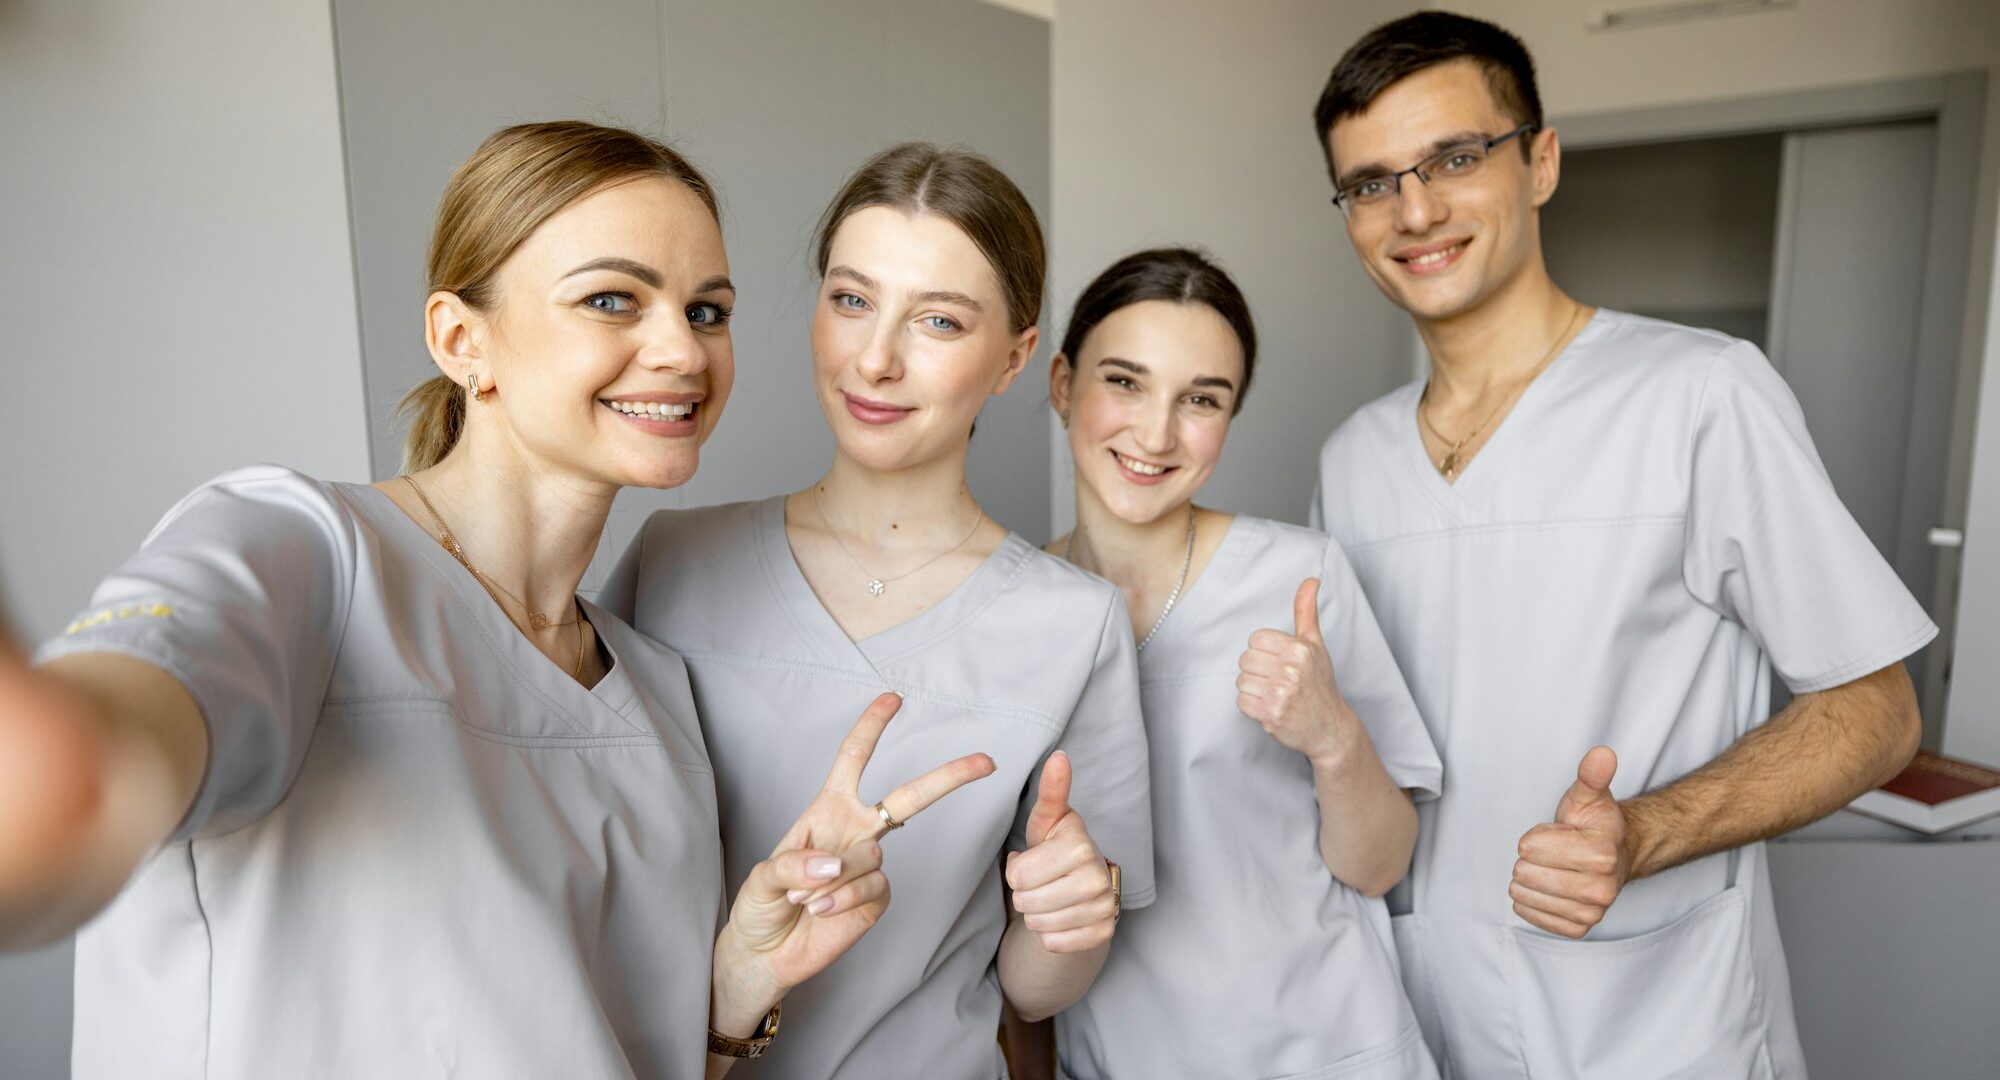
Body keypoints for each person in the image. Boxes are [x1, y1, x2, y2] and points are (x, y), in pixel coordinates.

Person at [0, 120, 994, 1079]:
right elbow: (71, 787)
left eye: (706, 310)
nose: (683, 352)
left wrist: (742, 976)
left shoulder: (656, 693)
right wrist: (59, 781)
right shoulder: (296, 552)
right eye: (612, 300)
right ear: (459, 339)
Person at [1307, 12, 1933, 1079]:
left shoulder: (1699, 395)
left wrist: (1645, 831)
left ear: (1538, 161)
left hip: (1651, 1024)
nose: (1413, 210)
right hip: (1413, 1017)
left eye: (1454, 157)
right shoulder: (1350, 460)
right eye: (1370, 183)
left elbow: (1874, 713)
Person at [601, 143, 1154, 1080]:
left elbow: (1033, 991)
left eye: (938, 320)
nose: (875, 358)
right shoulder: (672, 562)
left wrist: (1068, 923)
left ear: (1015, 357)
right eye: (851, 300)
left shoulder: (1075, 625)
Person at [1040, 248, 1443, 1079]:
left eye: (1201, 400)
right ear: (1059, 386)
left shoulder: (1300, 577)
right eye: (1124, 381)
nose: (1156, 433)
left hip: (1324, 1049)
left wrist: (1333, 737)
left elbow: (1381, 863)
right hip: (1118, 1056)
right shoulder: (1014, 610)